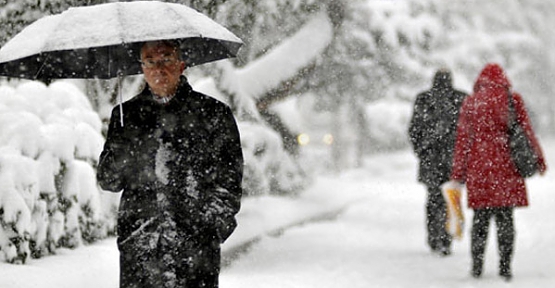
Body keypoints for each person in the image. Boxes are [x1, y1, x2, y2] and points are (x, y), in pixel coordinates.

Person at [97, 40, 244, 288]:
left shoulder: (213, 114)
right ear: (141, 67)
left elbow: (229, 180)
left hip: (196, 251)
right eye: (150, 61)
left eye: (166, 59)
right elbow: (109, 180)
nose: (158, 68)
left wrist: (210, 229)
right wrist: (125, 145)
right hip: (141, 246)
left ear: (181, 64)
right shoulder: (125, 116)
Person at [449, 63, 547, 281]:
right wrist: (538, 159)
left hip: (479, 168)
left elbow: (463, 140)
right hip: (507, 166)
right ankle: (505, 267)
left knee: (480, 219)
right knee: (505, 218)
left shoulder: (471, 102)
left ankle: (477, 266)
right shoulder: (513, 100)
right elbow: (527, 132)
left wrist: (458, 173)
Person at [408, 69, 467, 256]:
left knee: (433, 199)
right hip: (454, 160)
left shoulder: (424, 99)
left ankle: (434, 236)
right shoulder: (461, 98)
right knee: (451, 199)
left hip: (430, 159)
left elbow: (414, 129)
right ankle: (446, 238)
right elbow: (469, 131)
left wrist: (421, 150)